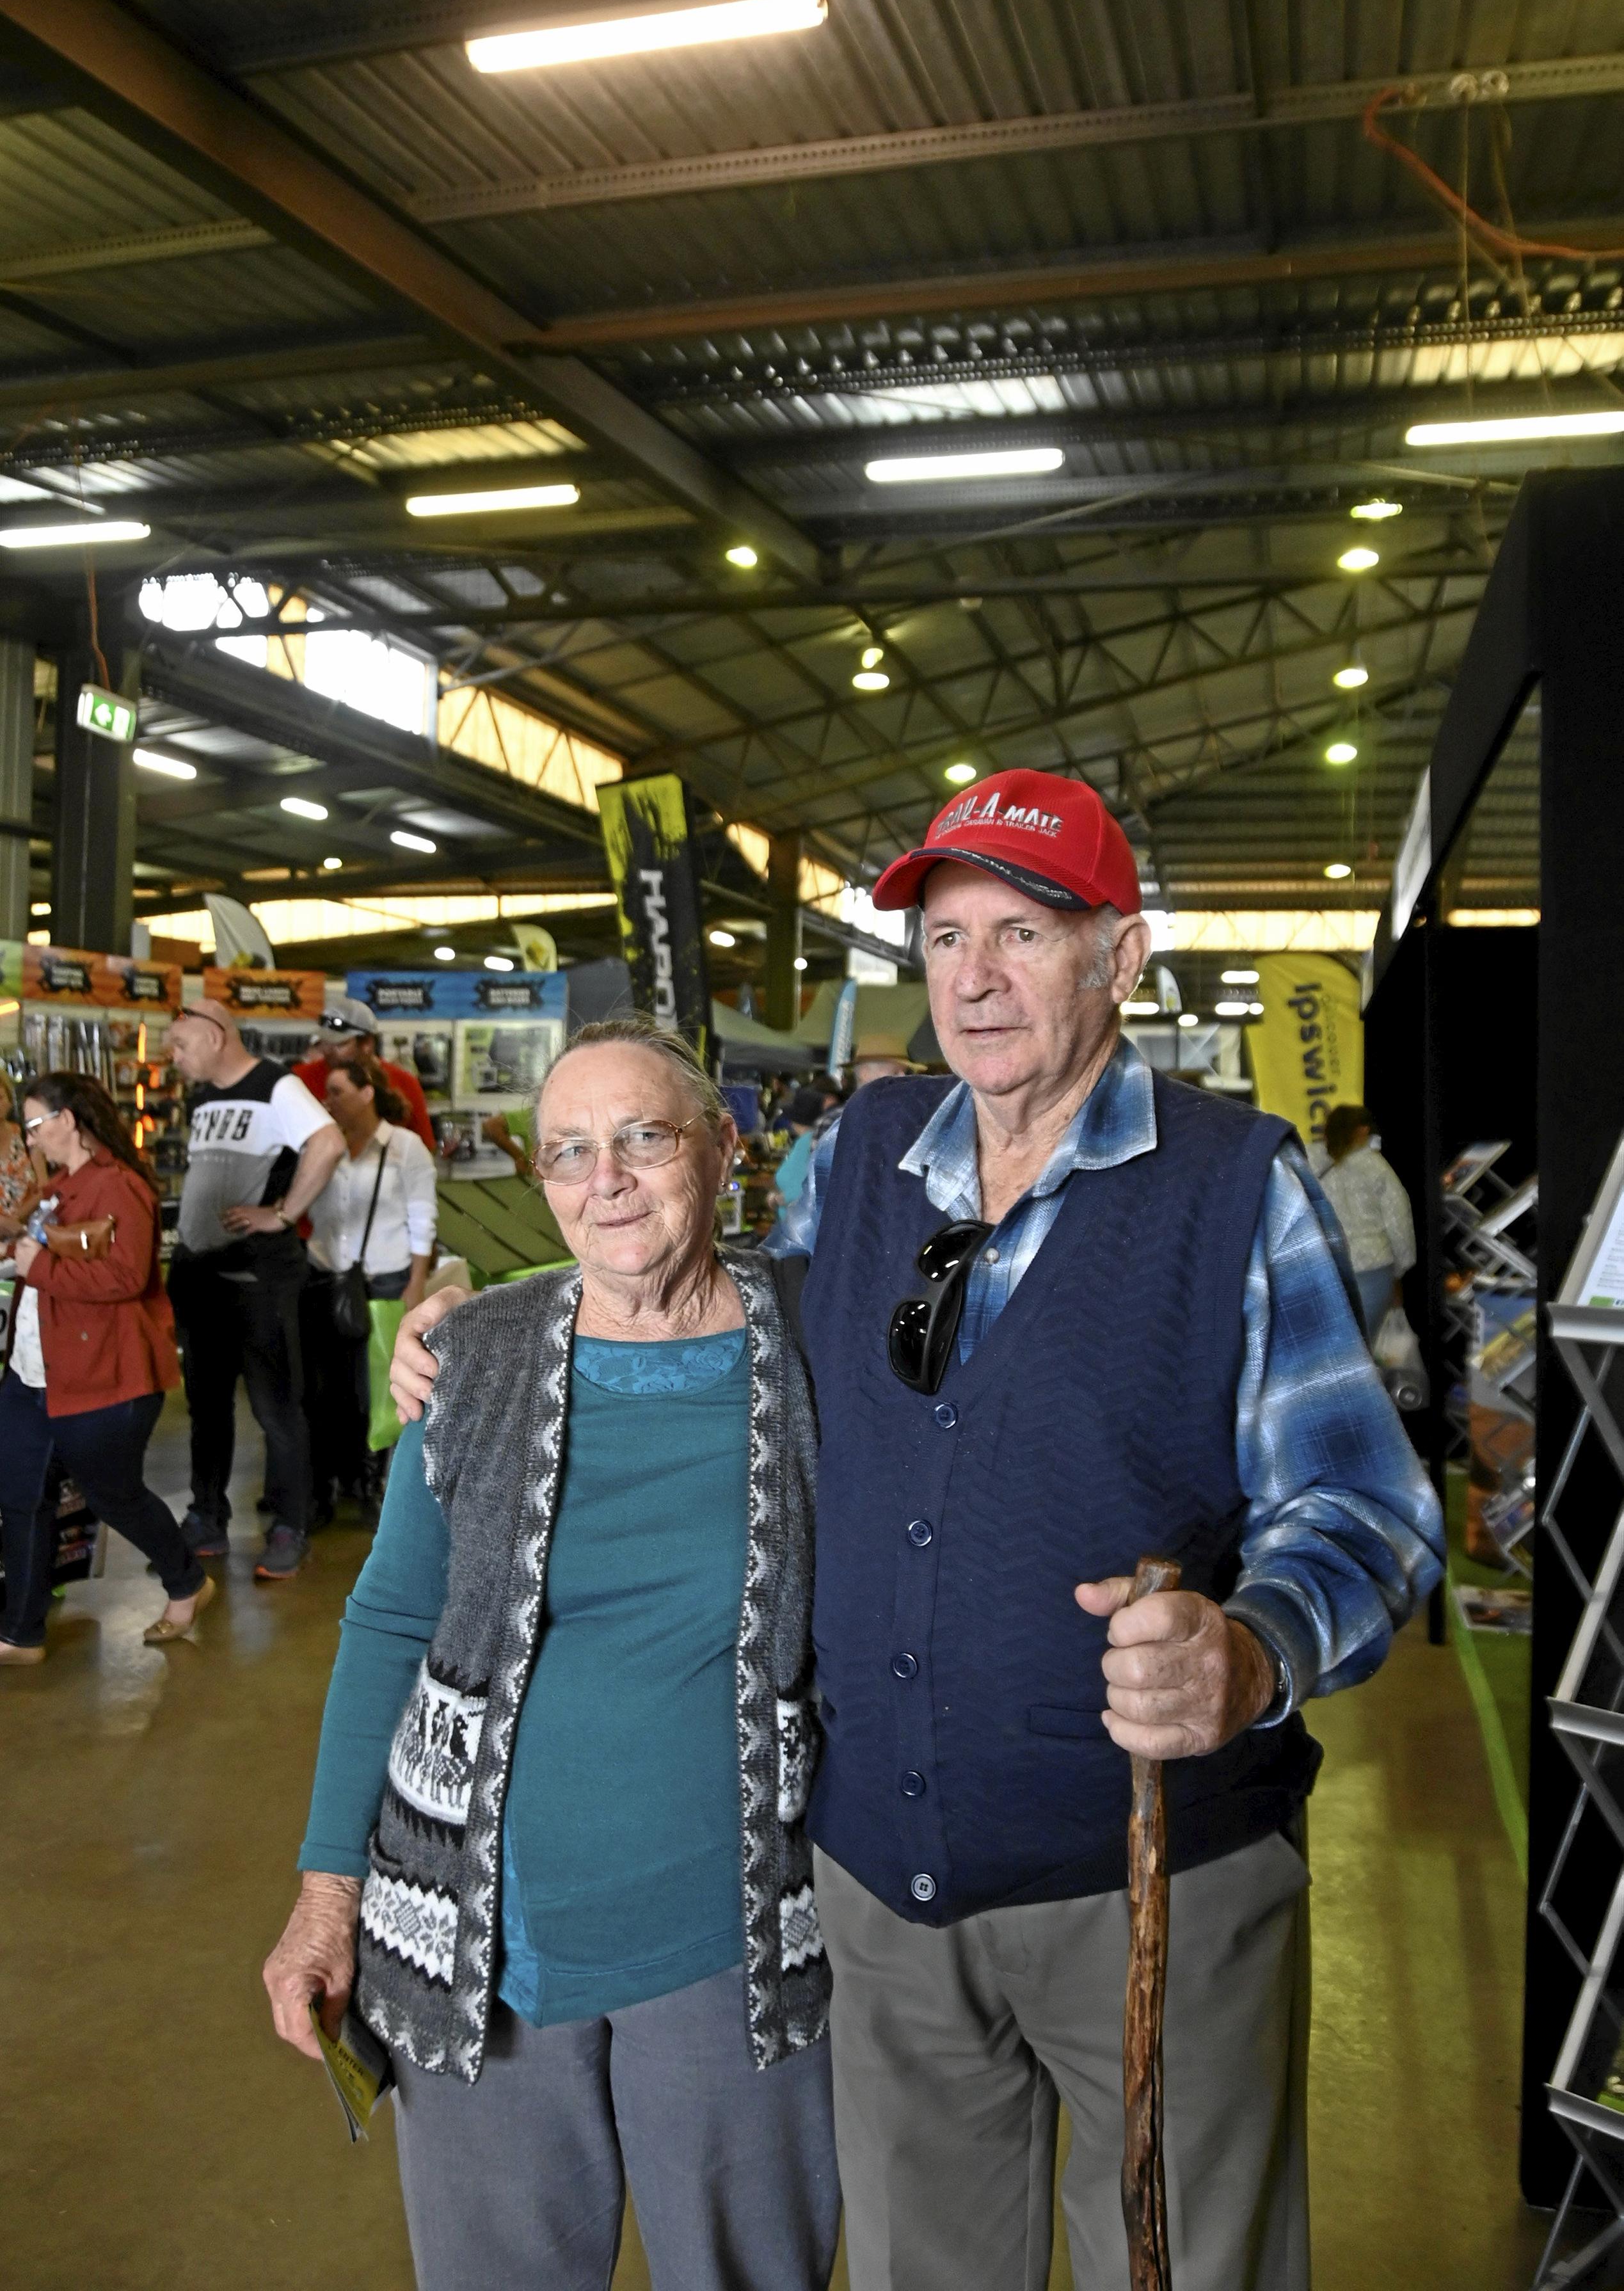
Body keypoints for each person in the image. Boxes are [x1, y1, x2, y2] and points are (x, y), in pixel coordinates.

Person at [389, 765, 1447, 2291]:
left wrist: (1252, 1647)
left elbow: (1363, 1505)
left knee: (1187, 2264)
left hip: (1144, 1877)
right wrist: (486, 1325)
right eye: (945, 941)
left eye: (1020, 934)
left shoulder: (1231, 1188)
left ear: (1119, 957)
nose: (975, 978)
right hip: (886, 1891)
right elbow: (689, 1287)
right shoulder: (873, 1163)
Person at [265, 1020, 838, 2291]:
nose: (608, 1178)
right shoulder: (475, 1352)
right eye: (571, 1150)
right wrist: (325, 1890)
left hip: (731, 1938)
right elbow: (391, 1620)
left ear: (724, 1147)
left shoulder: (812, 1340)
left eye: (644, 1135)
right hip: (478, 1938)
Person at [0, 1073, 211, 1666]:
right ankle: (21, 1633)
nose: (31, 1138)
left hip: (102, 1376)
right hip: (33, 1371)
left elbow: (124, 1279)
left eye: (37, 1124)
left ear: (69, 1120)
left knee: (114, 1497)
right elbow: (48, 1257)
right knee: (20, 1496)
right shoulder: (57, 1189)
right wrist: (20, 1253)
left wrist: (34, 1262)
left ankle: (187, 1582)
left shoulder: (119, 1188)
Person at [166, 998, 346, 1581]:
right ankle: (206, 1517)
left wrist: (284, 1212)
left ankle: (290, 1525)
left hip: (257, 1280)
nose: (173, 1055)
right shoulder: (203, 1099)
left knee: (275, 1408)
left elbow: (328, 1142)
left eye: (181, 1043)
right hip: (203, 1277)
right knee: (207, 1407)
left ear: (217, 1036)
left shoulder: (276, 1084)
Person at [301, 1061, 436, 1527]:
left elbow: (423, 1218)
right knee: (322, 1393)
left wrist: (415, 1284)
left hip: (383, 1282)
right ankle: (324, 1487)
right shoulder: (321, 1147)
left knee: (374, 1390)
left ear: (367, 1093)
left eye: (337, 1091)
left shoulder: (405, 1148)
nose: (328, 1100)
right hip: (323, 1280)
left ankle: (369, 1484)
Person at [1319, 1101, 1417, 1338]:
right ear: (1362, 1131)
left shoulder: (1320, 1170)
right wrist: (1402, 1267)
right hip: (1373, 1267)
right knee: (1365, 1344)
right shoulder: (1377, 1169)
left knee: (1341, 1345)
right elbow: (1398, 1221)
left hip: (1331, 1267)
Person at [295, 998, 436, 1147]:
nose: (328, 1051)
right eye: (325, 1042)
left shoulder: (404, 1083)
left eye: (339, 1044)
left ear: (367, 1044)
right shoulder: (300, 1079)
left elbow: (424, 1148)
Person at [0, 1070, 45, 1239]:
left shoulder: (27, 1136)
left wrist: (16, 1219)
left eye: (0, 1098)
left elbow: (44, 1187)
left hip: (27, 1232)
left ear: (10, 1101)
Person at [773, 1086, 827, 1220]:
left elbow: (800, 1188)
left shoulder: (806, 1143)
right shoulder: (815, 1140)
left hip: (797, 1225)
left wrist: (779, 1198)